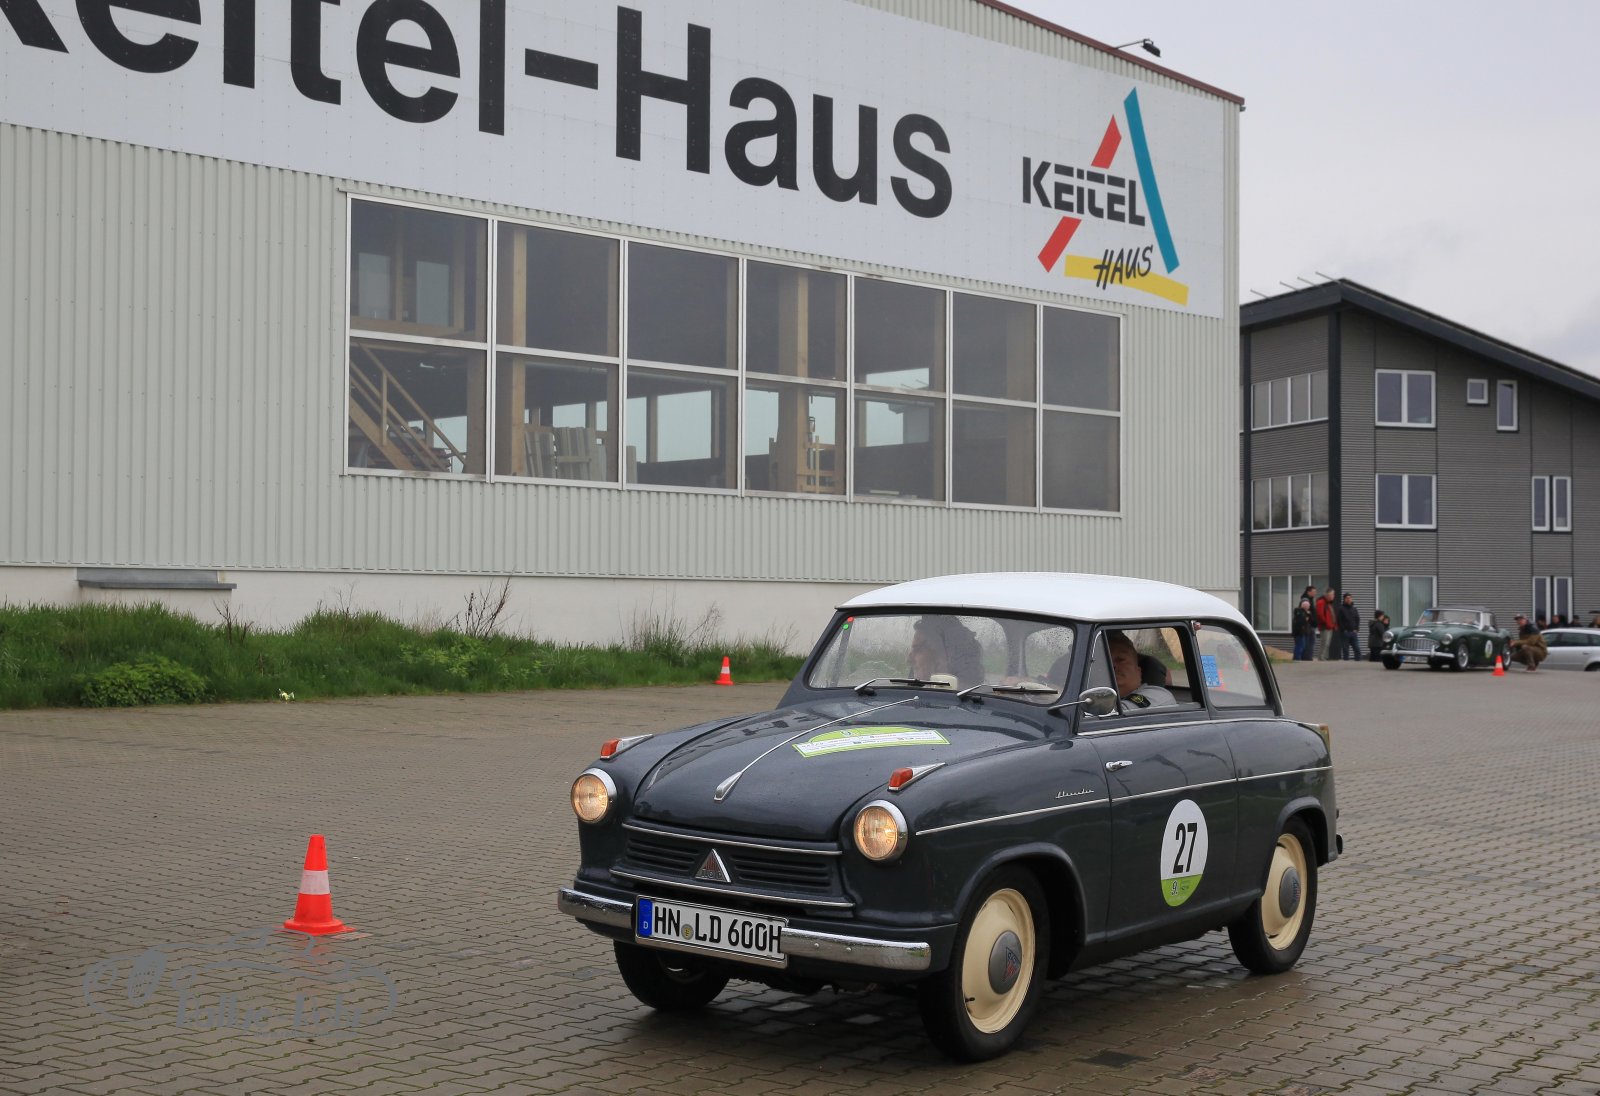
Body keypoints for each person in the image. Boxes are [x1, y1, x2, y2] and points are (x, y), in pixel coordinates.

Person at [908, 615, 984, 689]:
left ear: (945, 656)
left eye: (918, 650)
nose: (908, 659)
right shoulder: (910, 694)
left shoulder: (969, 694)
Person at [1106, 631, 1176, 708]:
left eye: (1120, 659)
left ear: (1139, 671)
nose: (1112, 665)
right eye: (1105, 662)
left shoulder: (1158, 696)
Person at [1315, 587, 1339, 661]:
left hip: (1330, 626)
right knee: (1324, 642)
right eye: (1332, 594)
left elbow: (1332, 615)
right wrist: (1326, 622)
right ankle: (1321, 657)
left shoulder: (1329, 603)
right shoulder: (1321, 602)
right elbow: (1320, 614)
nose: (1333, 596)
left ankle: (1324, 656)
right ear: (1327, 594)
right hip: (1325, 626)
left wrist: (1334, 624)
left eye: (1333, 594)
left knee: (1327, 643)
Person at [1336, 593, 1361, 661]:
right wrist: (1343, 629)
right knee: (1345, 650)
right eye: (1347, 598)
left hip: (1353, 632)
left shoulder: (1354, 609)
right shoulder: (1341, 609)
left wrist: (1356, 628)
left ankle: (1358, 662)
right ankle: (1346, 663)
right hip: (1345, 633)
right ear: (1344, 599)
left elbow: (1357, 619)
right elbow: (1339, 620)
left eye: (1350, 598)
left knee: (1357, 649)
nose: (1349, 599)